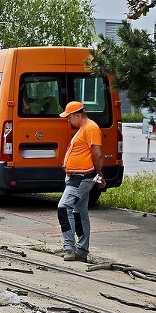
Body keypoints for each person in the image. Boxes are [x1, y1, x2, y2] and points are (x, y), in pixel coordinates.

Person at [57, 101, 104, 262]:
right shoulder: (83, 129)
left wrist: (98, 174)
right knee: (79, 212)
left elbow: (97, 153)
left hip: (81, 178)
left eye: (69, 117)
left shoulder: (91, 128)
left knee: (64, 208)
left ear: (78, 115)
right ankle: (82, 251)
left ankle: (69, 248)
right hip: (77, 177)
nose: (68, 120)